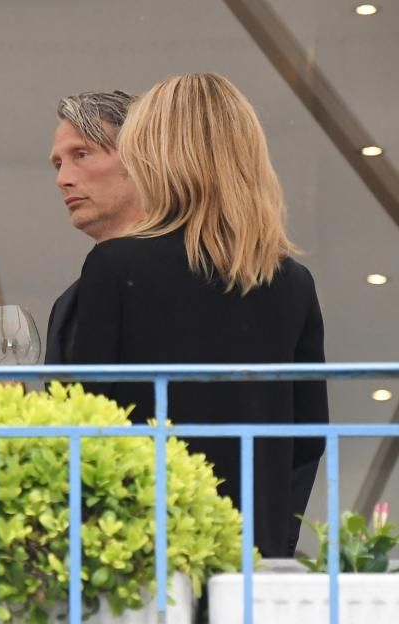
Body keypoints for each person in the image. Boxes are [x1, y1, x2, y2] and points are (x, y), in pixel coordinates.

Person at [69, 73, 327, 557]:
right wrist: (274, 539)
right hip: (252, 548)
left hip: (147, 547)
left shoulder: (115, 265)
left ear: (157, 156)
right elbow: (308, 437)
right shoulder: (292, 282)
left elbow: (85, 416)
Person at [45, 91, 142, 365]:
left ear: (139, 156)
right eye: (58, 164)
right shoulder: (67, 305)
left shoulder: (202, 270)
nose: (62, 179)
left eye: (81, 154)